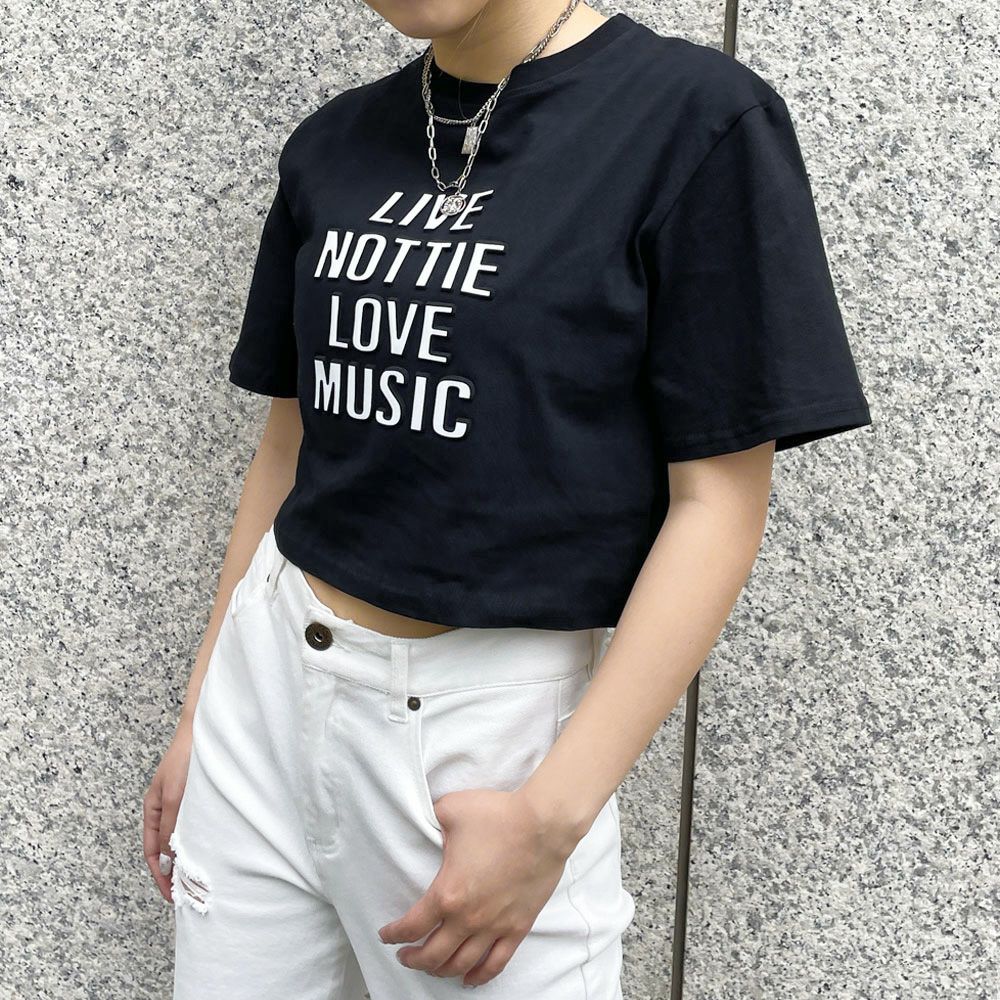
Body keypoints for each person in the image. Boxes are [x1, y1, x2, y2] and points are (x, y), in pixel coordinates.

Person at [142, 1, 873, 996]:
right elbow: (288, 446)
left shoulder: (692, 122)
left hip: (485, 742)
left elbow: (718, 506)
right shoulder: (334, 143)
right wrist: (202, 710)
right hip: (263, 689)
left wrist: (548, 818)